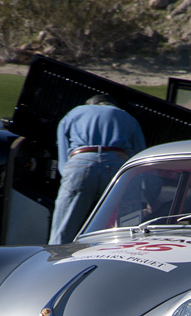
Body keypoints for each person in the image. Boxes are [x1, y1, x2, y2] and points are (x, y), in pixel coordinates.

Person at [49, 94, 146, 244]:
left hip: (80, 163)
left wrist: (68, 178)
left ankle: (55, 261)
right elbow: (139, 158)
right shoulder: (128, 117)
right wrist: (146, 194)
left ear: (90, 104)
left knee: (62, 232)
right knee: (128, 231)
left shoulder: (74, 113)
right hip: (118, 165)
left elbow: (63, 154)